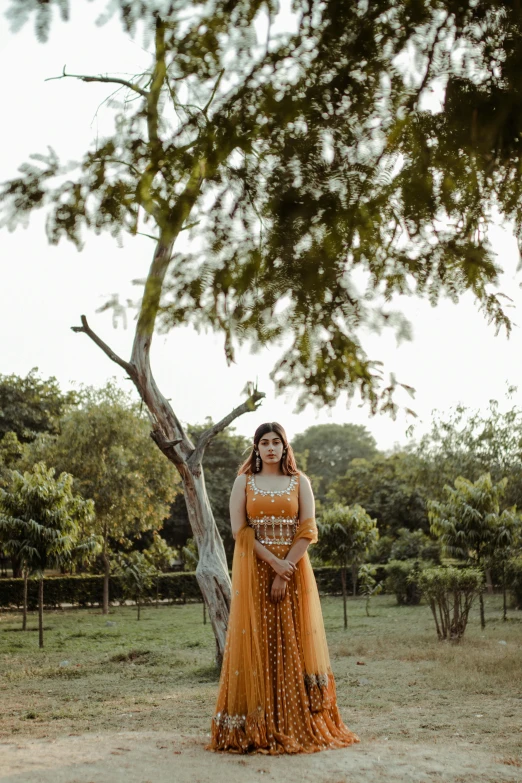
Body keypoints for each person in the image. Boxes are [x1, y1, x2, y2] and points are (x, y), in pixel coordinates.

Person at [208, 422, 360, 754]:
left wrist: (284, 570)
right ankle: (257, 722)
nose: (271, 448)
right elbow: (240, 531)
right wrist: (273, 564)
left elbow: (307, 529)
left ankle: (296, 719)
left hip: (293, 573)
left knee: (292, 640)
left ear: (285, 447)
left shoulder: (299, 482)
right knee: (259, 640)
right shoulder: (242, 483)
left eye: (277, 442)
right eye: (265, 442)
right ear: (256, 448)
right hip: (255, 572)